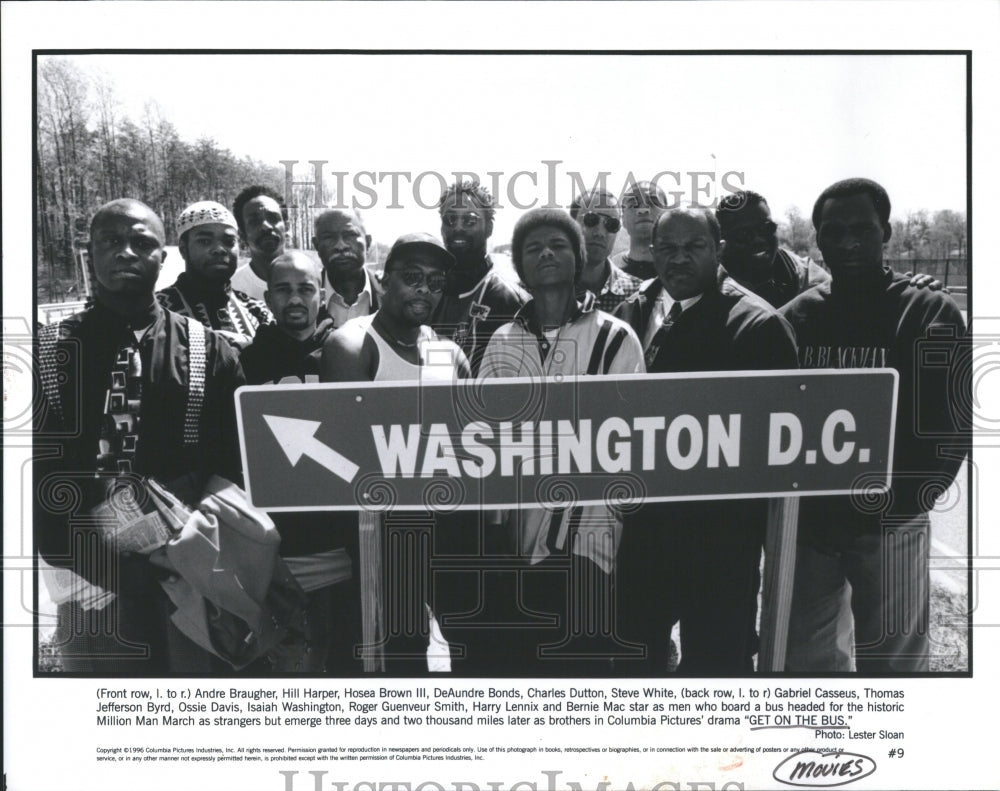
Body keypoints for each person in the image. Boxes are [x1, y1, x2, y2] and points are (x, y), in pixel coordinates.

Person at [35, 199, 245, 674]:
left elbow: (231, 466)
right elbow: (34, 476)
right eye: (111, 242)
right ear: (89, 254)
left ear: (164, 257)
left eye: (142, 243)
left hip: (188, 566)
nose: (126, 252)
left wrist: (187, 554)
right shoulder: (48, 354)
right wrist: (105, 567)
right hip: (85, 567)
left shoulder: (210, 351)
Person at [781, 178, 969, 672]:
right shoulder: (796, 318)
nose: (847, 241)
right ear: (816, 239)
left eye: (861, 228)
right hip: (812, 529)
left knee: (895, 668)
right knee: (806, 663)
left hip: (890, 523)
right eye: (832, 230)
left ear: (885, 231)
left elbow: (949, 430)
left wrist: (905, 506)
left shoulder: (928, 310)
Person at [613, 206, 799, 675]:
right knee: (631, 666)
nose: (679, 259)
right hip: (639, 535)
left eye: (694, 248)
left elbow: (774, 445)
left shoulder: (756, 325)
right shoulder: (628, 314)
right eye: (668, 249)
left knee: (716, 673)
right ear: (651, 253)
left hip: (718, 542)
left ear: (718, 251)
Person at [477, 208, 645, 676]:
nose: (546, 253)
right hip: (518, 540)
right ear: (520, 268)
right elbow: (492, 444)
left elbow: (624, 444)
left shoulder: (616, 338)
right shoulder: (503, 341)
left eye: (558, 245)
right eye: (533, 249)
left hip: (590, 541)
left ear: (579, 257)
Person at [321, 233, 469, 673]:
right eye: (411, 277)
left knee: (462, 637)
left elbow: (462, 446)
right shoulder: (354, 343)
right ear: (384, 283)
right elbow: (350, 451)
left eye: (435, 281)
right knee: (391, 651)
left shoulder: (447, 353)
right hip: (375, 531)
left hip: (440, 522)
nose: (424, 288)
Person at [240, 251, 357, 672]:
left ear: (321, 295)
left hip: (340, 547)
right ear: (268, 298)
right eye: (284, 290)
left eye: (305, 289)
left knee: (343, 667)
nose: (295, 299)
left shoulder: (349, 353)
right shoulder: (245, 363)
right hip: (277, 550)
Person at [716, 189, 945, 309]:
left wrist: (906, 289)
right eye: (744, 234)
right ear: (720, 243)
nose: (759, 240)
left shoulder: (802, 273)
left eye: (767, 229)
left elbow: (848, 294)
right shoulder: (706, 280)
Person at [431, 180, 525, 375]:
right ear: (441, 229)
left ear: (489, 228)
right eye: (450, 220)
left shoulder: (508, 298)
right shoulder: (430, 292)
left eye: (470, 220)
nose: (458, 228)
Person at [156, 200, 271, 348]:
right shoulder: (157, 311)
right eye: (205, 241)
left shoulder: (258, 311)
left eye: (229, 241)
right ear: (183, 249)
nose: (219, 249)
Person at [569, 188, 642, 312]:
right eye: (591, 220)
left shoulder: (637, 294)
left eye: (611, 224)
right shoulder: (541, 286)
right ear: (570, 225)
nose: (600, 233)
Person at [312, 208, 380, 328]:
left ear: (368, 242)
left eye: (350, 235)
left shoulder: (390, 295)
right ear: (317, 245)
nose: (340, 246)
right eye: (329, 237)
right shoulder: (304, 297)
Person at [230, 185, 288, 301]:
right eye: (254, 221)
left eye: (273, 218)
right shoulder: (232, 290)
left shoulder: (312, 279)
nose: (266, 227)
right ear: (242, 235)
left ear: (286, 226)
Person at [611, 180, 669, 282]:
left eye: (653, 203)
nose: (643, 210)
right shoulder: (609, 271)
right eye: (633, 205)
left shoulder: (680, 268)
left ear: (667, 214)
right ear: (623, 219)